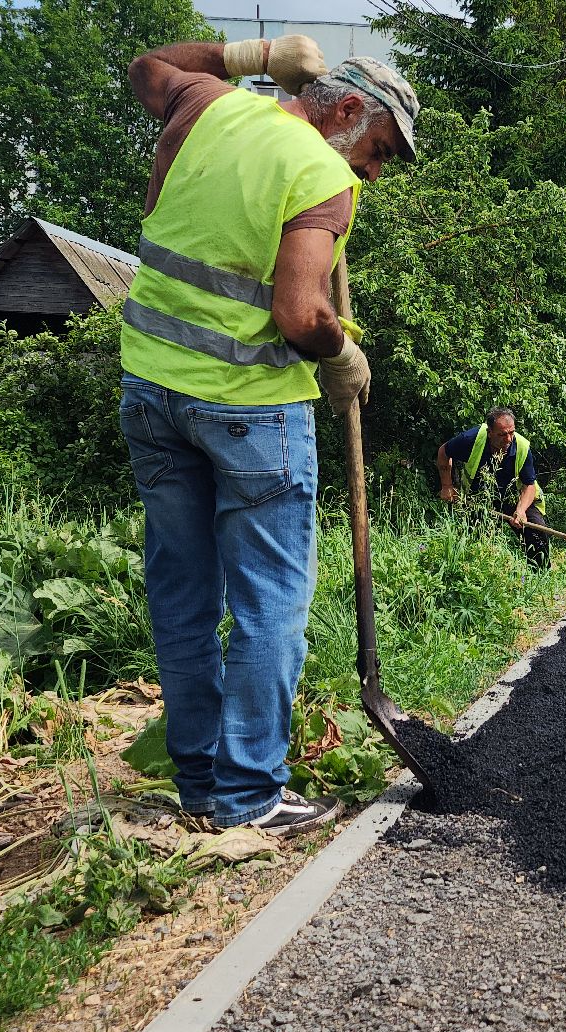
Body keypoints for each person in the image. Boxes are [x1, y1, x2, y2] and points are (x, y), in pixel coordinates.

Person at [118, 36, 419, 836]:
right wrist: (340, 352)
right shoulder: (320, 173)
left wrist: (248, 54)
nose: (374, 173)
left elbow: (147, 65)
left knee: (182, 596)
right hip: (251, 412)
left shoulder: (209, 108)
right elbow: (299, 313)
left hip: (151, 394)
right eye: (380, 151)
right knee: (268, 604)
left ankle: (198, 785)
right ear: (347, 110)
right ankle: (249, 796)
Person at [436, 407, 550, 568]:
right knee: (476, 541)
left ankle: (540, 575)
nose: (509, 439)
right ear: (490, 432)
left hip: (515, 497)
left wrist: (521, 510)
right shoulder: (470, 439)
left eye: (511, 432)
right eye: (502, 434)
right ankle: (482, 578)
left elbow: (529, 485)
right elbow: (444, 452)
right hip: (480, 498)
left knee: (537, 531)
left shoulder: (522, 447)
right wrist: (447, 486)